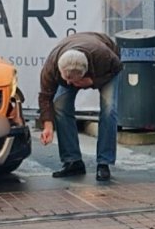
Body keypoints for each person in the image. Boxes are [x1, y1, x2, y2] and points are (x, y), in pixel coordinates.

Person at [38, 32, 122, 181]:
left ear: (85, 73)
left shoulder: (104, 57)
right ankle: (72, 161)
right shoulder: (52, 66)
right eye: (67, 80)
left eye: (74, 81)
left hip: (105, 70)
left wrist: (93, 82)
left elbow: (118, 68)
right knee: (60, 106)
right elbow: (45, 96)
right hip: (73, 55)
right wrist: (48, 126)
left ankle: (104, 163)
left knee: (109, 110)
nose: (70, 85)